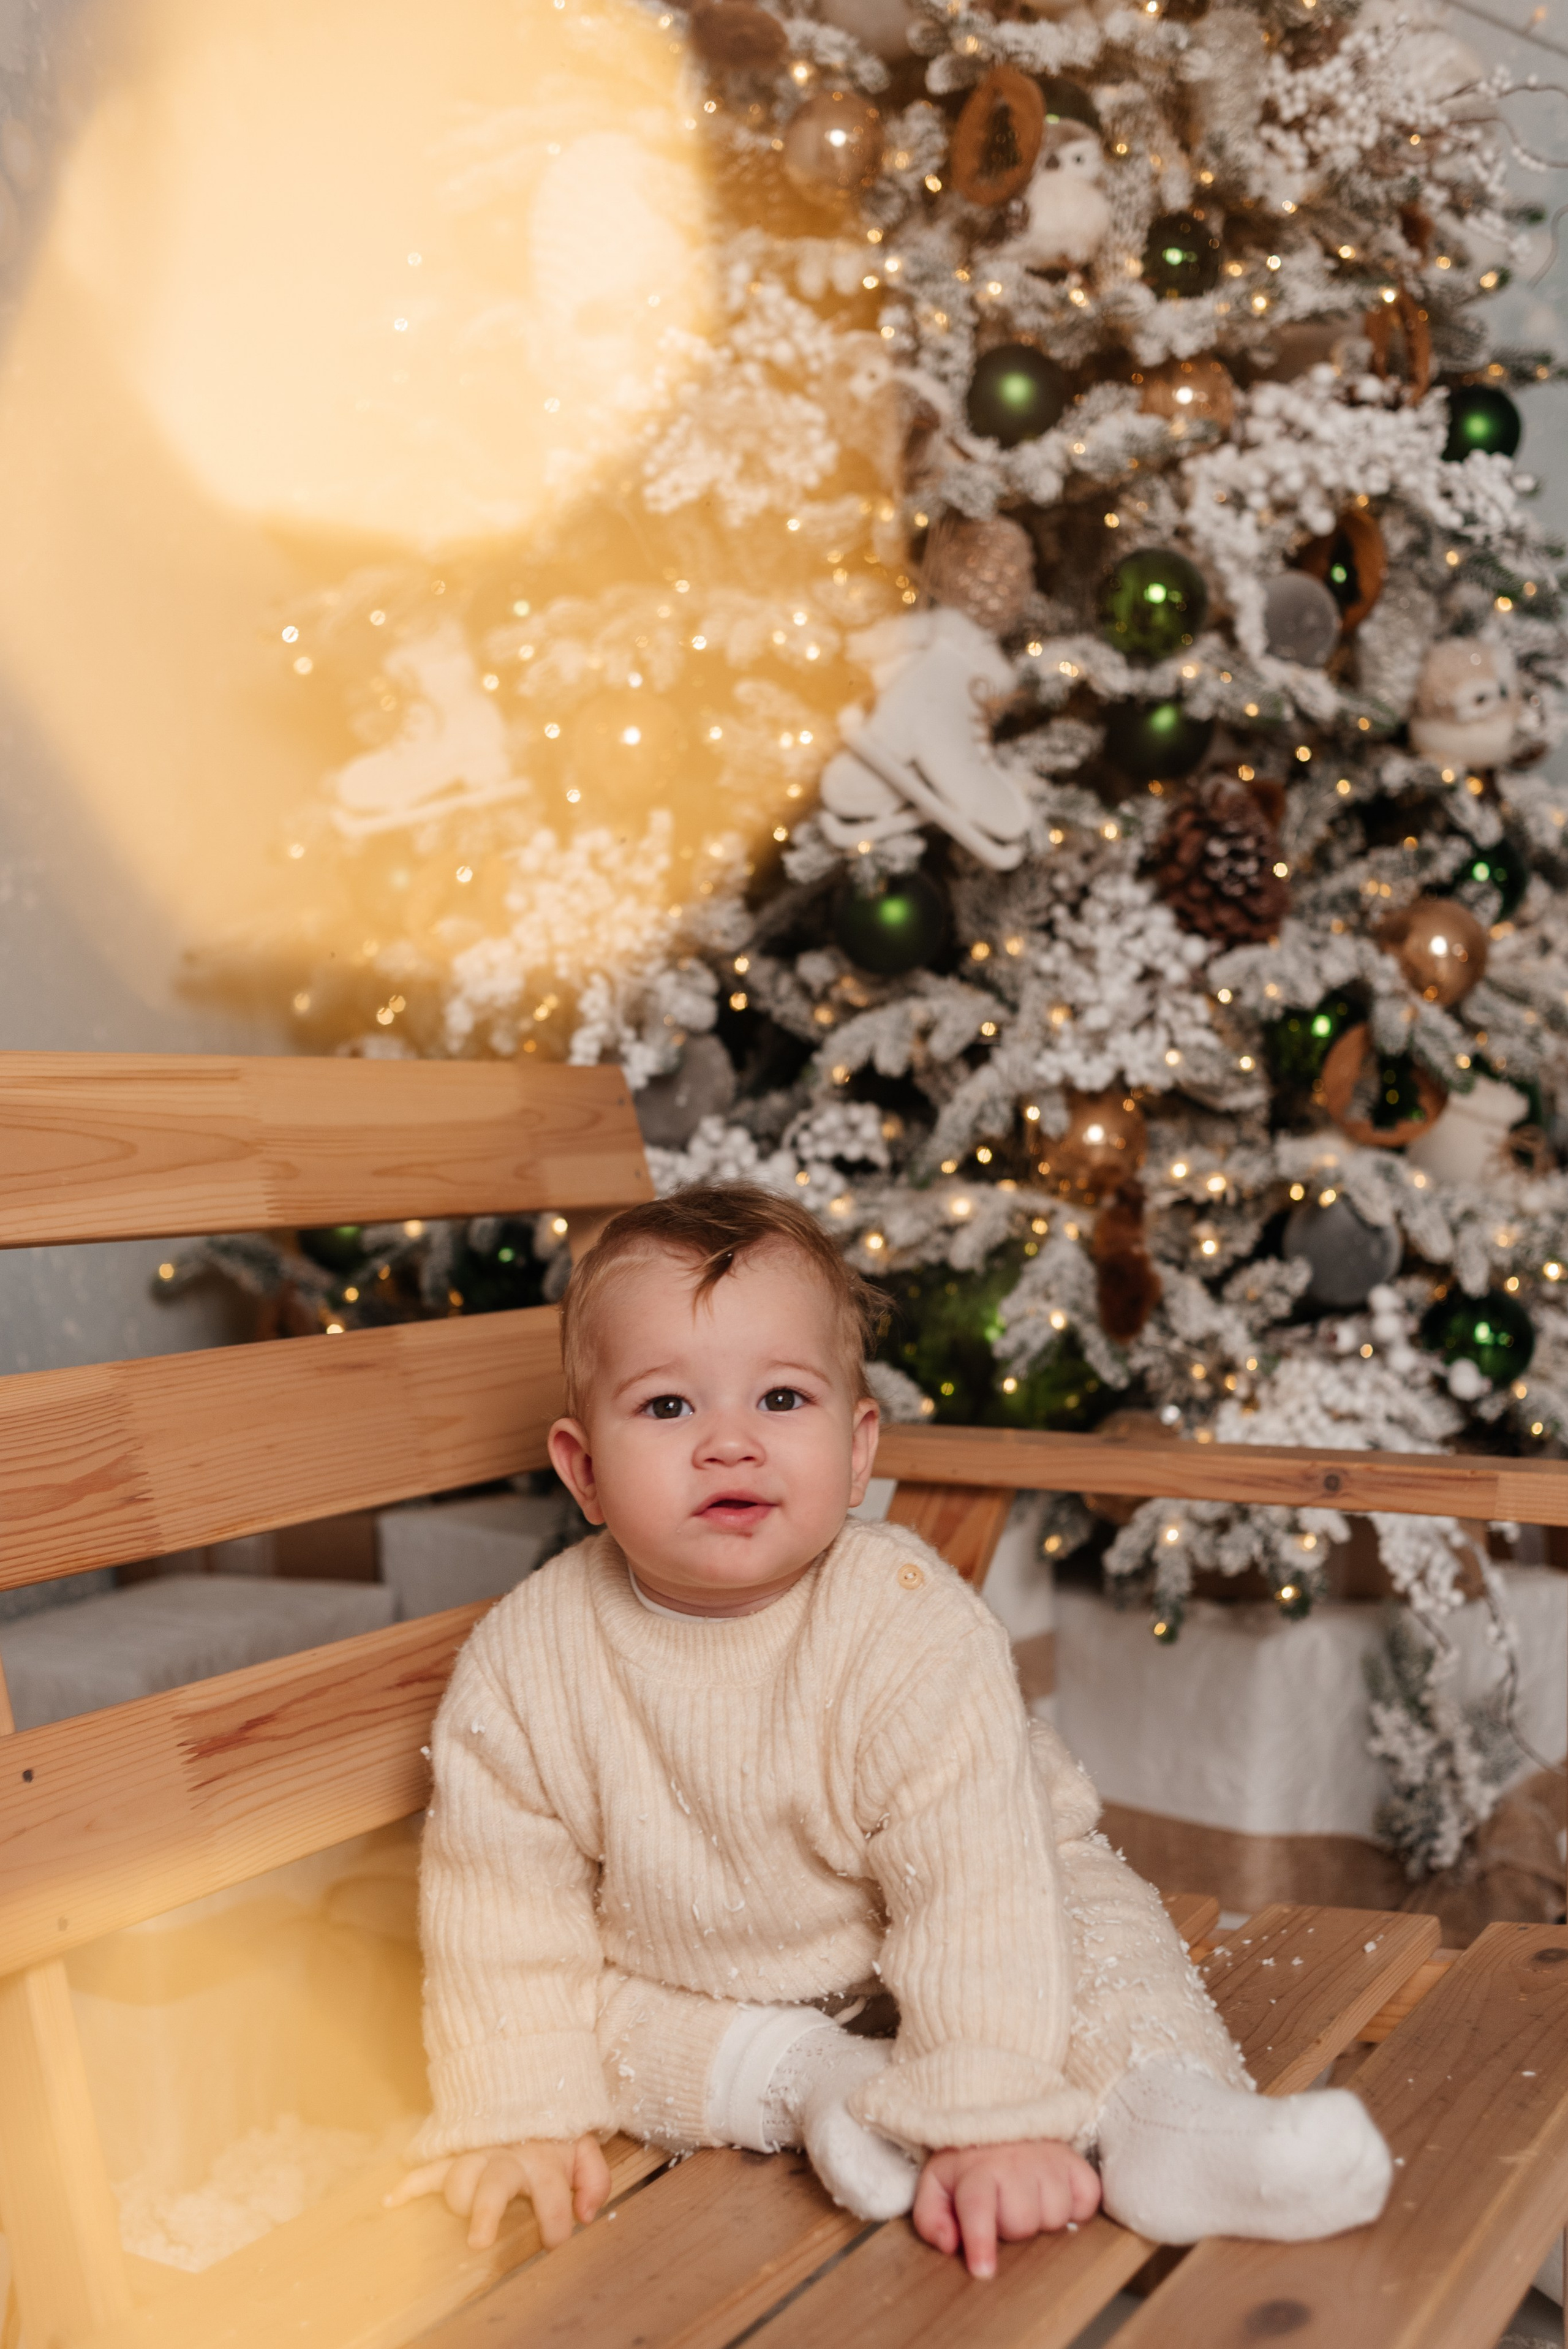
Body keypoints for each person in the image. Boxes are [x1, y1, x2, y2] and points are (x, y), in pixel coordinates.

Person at [391, 1185, 1390, 2279]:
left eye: (781, 1398)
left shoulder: (907, 1623)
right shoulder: (526, 1664)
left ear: (859, 1450)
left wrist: (991, 2117)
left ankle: (1167, 2114)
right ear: (583, 1470)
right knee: (594, 2023)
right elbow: (502, 1908)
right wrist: (521, 2111)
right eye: (669, 1408)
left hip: (975, 1913)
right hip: (693, 1973)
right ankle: (822, 2088)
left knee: (1090, 1933)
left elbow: (976, 1890)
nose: (730, 1444)